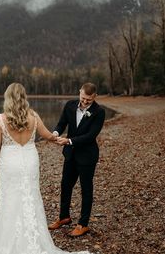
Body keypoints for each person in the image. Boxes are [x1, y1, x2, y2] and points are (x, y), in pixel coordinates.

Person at [0, 83, 92, 254]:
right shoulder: (33, 116)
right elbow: (48, 135)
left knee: (9, 199)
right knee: (31, 196)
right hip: (30, 160)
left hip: (10, 164)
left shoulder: (0, 119)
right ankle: (34, 240)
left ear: (8, 99)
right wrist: (61, 139)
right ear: (24, 98)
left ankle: (9, 243)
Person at [49, 82, 105, 237]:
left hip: (87, 156)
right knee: (65, 185)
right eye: (83, 98)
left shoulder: (99, 112)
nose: (85, 102)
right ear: (79, 92)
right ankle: (64, 217)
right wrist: (55, 133)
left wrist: (69, 141)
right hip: (70, 154)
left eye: (89, 99)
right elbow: (61, 124)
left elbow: (90, 136)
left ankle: (83, 224)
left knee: (86, 190)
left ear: (95, 97)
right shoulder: (70, 105)